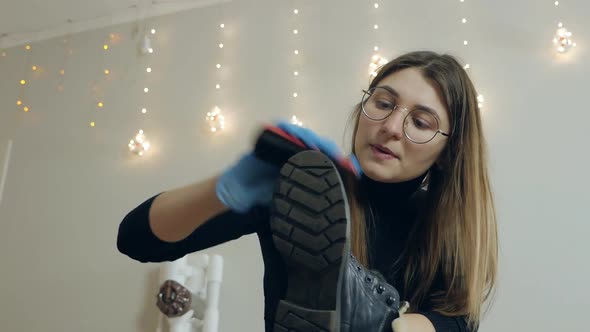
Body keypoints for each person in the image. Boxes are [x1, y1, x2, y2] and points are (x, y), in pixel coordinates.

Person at [117, 50, 498, 332]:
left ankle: (373, 314)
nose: (392, 126)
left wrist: (389, 324)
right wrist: (220, 191)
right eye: (383, 103)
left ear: (449, 153)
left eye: (420, 121)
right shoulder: (307, 189)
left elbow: (457, 320)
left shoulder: (444, 224)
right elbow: (135, 239)